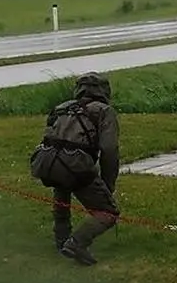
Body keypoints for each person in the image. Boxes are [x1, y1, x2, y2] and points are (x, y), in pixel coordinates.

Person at [28, 72, 121, 266]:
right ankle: (76, 243)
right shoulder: (104, 111)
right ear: (104, 91)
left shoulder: (61, 108)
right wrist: (108, 184)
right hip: (76, 165)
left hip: (48, 162)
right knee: (107, 212)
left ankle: (61, 241)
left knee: (61, 198)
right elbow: (109, 149)